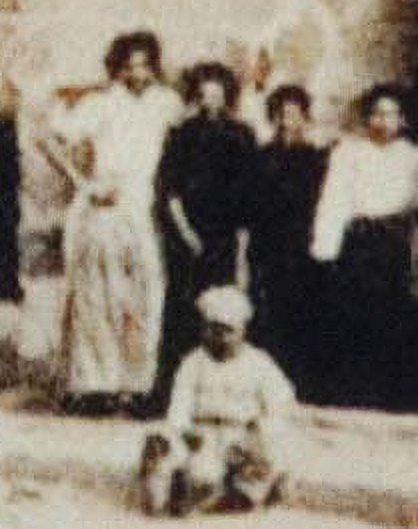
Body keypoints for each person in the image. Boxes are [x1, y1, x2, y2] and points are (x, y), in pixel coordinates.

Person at [40, 30, 183, 415]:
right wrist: (83, 183)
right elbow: (48, 138)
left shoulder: (166, 103)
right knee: (98, 295)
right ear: (117, 68)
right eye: (129, 66)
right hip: (106, 204)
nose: (137, 74)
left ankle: (137, 386)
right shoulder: (101, 104)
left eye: (145, 66)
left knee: (145, 295)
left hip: (145, 207)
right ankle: (94, 386)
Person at [311, 83, 418, 412]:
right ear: (367, 118)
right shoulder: (348, 153)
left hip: (396, 242)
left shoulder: (416, 157)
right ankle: (354, 394)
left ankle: (390, 397)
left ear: (403, 120)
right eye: (378, 114)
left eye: (392, 114)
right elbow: (334, 200)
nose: (384, 121)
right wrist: (326, 247)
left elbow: (417, 205)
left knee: (394, 318)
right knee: (355, 317)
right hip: (360, 241)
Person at [138, 285, 296, 516]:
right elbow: (180, 404)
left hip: (242, 436)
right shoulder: (193, 362)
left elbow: (280, 404)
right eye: (212, 330)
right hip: (203, 434)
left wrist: (257, 431)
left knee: (268, 456)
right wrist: (184, 429)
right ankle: (182, 491)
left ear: (242, 331)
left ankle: (243, 491)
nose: (219, 337)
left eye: (227, 331)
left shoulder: (259, 363)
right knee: (177, 456)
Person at [154, 62, 258, 408]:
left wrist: (240, 244)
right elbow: (169, 190)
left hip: (225, 235)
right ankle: (174, 393)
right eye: (204, 93)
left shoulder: (242, 134)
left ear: (227, 96)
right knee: (183, 310)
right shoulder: (180, 133)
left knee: (225, 310)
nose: (210, 100)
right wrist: (185, 233)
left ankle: (226, 395)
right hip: (188, 237)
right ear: (195, 96)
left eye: (217, 93)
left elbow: (249, 192)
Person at [251, 85, 328, 398]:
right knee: (268, 316)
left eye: (294, 115)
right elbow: (249, 206)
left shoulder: (316, 158)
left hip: (303, 247)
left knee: (304, 314)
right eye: (281, 115)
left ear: (305, 119)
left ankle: (302, 385)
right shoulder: (261, 157)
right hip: (267, 248)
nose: (287, 122)